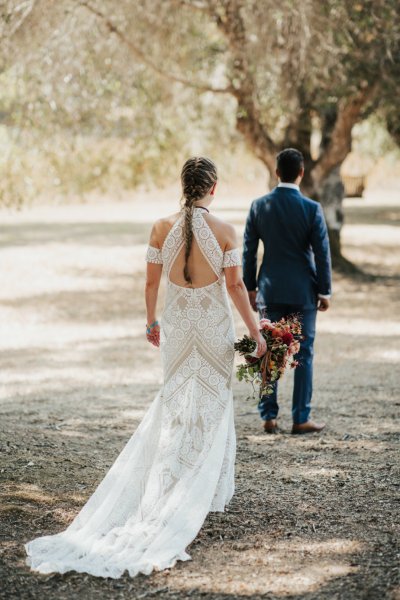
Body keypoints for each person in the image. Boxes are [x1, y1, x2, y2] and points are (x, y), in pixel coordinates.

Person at [25, 156, 266, 578]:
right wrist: (256, 332)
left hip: (177, 330)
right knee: (212, 405)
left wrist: (151, 320)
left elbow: (151, 283)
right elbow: (236, 287)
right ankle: (201, 492)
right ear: (214, 188)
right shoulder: (226, 231)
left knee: (174, 405)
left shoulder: (160, 227)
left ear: (184, 186)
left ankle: (172, 483)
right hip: (212, 332)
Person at [242, 148, 332, 435]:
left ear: (277, 172)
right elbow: (322, 254)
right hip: (303, 292)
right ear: (301, 173)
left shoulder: (258, 206)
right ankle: (300, 418)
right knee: (303, 354)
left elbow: (249, 252)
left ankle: (269, 416)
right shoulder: (311, 208)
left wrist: (251, 288)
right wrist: (325, 290)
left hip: (268, 289)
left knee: (268, 351)